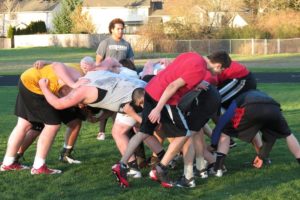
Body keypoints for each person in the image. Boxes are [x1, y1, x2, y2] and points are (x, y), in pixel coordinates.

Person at [111, 52, 210, 188]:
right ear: (218, 65)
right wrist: (158, 109)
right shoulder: (200, 69)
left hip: (150, 90)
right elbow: (172, 86)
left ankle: (121, 164)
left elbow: (177, 71)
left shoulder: (192, 55)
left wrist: (195, 83)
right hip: (164, 98)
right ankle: (161, 169)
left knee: (143, 132)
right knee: (185, 134)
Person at [39, 69, 148, 177]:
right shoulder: (91, 74)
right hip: (141, 88)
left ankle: (137, 168)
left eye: (62, 92)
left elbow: (58, 104)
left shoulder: (81, 91)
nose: (63, 96)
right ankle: (156, 160)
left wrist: (44, 87)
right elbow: (111, 103)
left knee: (124, 131)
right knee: (145, 129)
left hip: (134, 98)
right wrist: (98, 118)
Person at [0, 61, 86, 174]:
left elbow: (56, 64)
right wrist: (76, 97)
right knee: (52, 125)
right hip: (36, 86)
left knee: (23, 124)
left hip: (27, 79)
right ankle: (39, 167)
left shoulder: (78, 69)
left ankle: (8, 163)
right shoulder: (78, 79)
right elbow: (62, 94)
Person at [211, 90, 300, 177]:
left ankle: (218, 169)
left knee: (225, 133)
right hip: (274, 109)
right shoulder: (261, 93)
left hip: (251, 108)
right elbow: (270, 137)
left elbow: (223, 120)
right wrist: (261, 156)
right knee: (288, 134)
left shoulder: (238, 99)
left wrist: (214, 144)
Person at [95, 18, 135, 141]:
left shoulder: (126, 44)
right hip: (108, 80)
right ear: (112, 29)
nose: (120, 31)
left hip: (122, 80)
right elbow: (98, 61)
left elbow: (131, 62)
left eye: (122, 29)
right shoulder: (105, 43)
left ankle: (117, 129)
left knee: (118, 105)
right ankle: (101, 131)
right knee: (106, 105)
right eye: (118, 28)